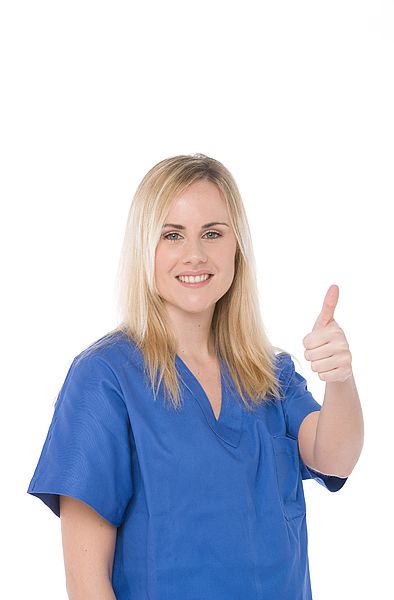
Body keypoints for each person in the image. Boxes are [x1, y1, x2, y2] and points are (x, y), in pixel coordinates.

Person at [27, 153, 364, 599]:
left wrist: (339, 377)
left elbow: (334, 458)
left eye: (212, 233)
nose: (195, 254)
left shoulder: (268, 372)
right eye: (172, 235)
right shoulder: (105, 378)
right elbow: (87, 583)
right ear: (145, 248)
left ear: (236, 246)